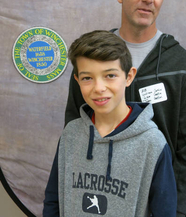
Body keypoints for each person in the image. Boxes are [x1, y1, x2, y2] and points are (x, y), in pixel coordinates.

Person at [65, 0, 186, 217]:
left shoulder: (181, 65)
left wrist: (174, 211)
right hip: (93, 200)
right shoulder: (90, 56)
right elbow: (74, 128)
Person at [43, 30, 177, 216]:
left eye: (110, 75)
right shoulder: (70, 134)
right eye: (87, 78)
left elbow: (165, 211)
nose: (99, 88)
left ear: (129, 76)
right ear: (77, 80)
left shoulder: (152, 143)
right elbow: (53, 200)